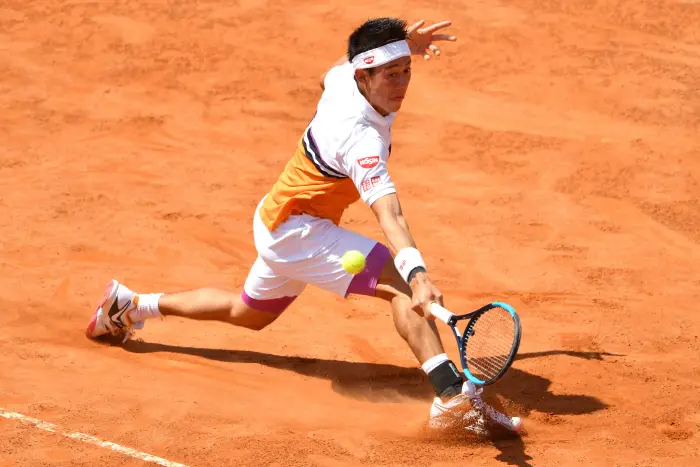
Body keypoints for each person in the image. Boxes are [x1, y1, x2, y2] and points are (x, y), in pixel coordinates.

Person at [86, 17, 522, 436]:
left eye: (406, 71)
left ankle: (131, 305)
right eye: (390, 74)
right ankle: (451, 398)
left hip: (276, 220)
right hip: (298, 232)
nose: (402, 84)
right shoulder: (360, 140)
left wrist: (404, 42)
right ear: (365, 76)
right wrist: (420, 275)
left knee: (248, 314)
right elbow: (391, 214)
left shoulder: (342, 81)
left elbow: (328, 72)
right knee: (400, 285)